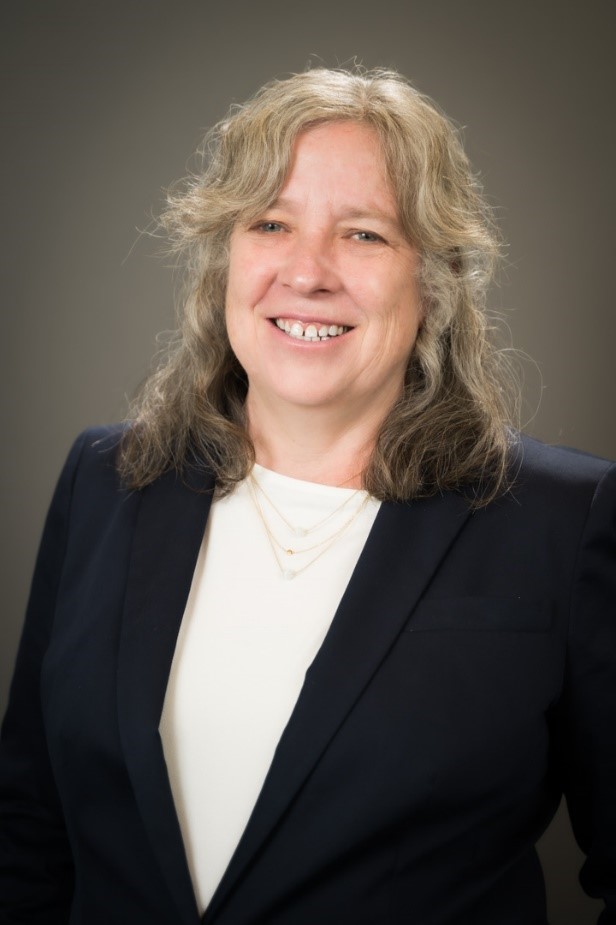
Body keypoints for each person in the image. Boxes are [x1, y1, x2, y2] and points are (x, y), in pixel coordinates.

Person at [0, 67, 614, 925]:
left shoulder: (564, 519)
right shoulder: (105, 482)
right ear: (226, 256)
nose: (307, 271)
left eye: (363, 234)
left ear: (433, 280)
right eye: (271, 223)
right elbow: (28, 827)